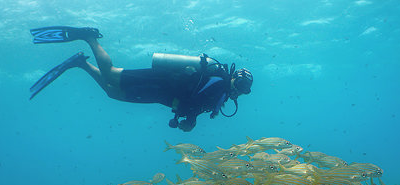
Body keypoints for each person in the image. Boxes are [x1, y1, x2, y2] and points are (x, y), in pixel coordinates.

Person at [29, 26, 253, 132]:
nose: (240, 90)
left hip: (159, 93)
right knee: (111, 74)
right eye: (241, 84)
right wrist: (190, 119)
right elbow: (193, 100)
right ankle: (90, 38)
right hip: (160, 82)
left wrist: (190, 119)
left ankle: (80, 62)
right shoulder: (220, 85)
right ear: (235, 78)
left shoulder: (221, 91)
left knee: (112, 92)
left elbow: (194, 101)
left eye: (244, 89)